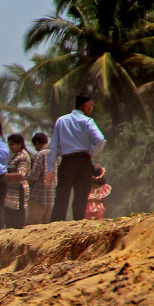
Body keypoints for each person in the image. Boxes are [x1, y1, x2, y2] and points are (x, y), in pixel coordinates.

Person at [50, 93, 106, 222]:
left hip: (67, 161)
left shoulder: (61, 120)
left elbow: (54, 147)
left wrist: (50, 168)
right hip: (84, 160)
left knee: (62, 195)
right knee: (81, 196)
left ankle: (56, 224)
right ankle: (78, 223)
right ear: (85, 106)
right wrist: (91, 152)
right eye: (91, 106)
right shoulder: (87, 121)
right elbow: (100, 140)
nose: (91, 109)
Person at [26, 133, 56, 225]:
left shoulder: (40, 155)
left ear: (37, 143)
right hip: (51, 196)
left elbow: (34, 176)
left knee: (32, 223)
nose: (35, 148)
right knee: (48, 225)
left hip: (38, 196)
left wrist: (26, 179)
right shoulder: (56, 155)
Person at [2, 133, 31, 229]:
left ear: (20, 144)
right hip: (11, 191)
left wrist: (3, 176)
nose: (11, 147)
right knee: (9, 217)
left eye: (13, 144)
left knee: (18, 217)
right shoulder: (16, 156)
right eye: (9, 144)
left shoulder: (23, 157)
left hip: (19, 190)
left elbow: (20, 175)